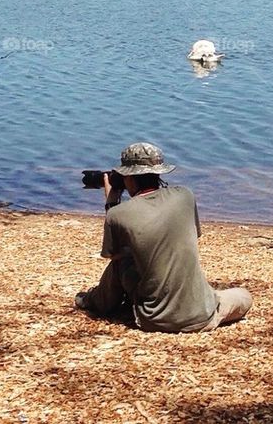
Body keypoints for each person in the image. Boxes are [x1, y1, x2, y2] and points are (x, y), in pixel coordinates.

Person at [75, 141, 252, 333]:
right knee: (244, 295)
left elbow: (115, 255)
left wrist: (112, 198)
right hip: (204, 314)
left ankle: (92, 301)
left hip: (153, 319)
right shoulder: (185, 196)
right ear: (159, 172)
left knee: (122, 262)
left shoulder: (118, 214)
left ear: (129, 178)